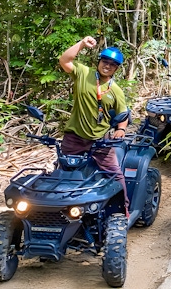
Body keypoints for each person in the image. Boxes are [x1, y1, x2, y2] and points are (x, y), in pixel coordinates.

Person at [58, 37, 130, 212]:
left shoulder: (116, 90)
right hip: (74, 137)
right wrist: (81, 44)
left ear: (116, 69)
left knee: (114, 173)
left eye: (112, 64)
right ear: (99, 61)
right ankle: (61, 210)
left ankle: (123, 209)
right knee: (62, 173)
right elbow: (64, 60)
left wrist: (121, 129)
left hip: (100, 141)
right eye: (105, 61)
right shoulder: (83, 73)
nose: (108, 65)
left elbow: (123, 113)